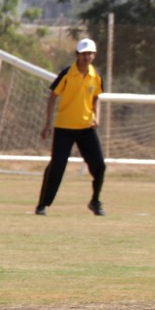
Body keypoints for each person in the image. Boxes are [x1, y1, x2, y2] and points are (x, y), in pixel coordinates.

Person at [34, 38, 107, 217]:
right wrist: (48, 123)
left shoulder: (95, 76)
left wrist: (96, 116)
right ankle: (43, 204)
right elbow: (53, 96)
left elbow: (96, 97)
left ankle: (95, 201)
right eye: (83, 54)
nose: (87, 57)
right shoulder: (67, 73)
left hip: (86, 128)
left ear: (94, 55)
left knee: (100, 165)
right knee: (57, 166)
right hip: (64, 128)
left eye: (90, 53)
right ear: (77, 55)